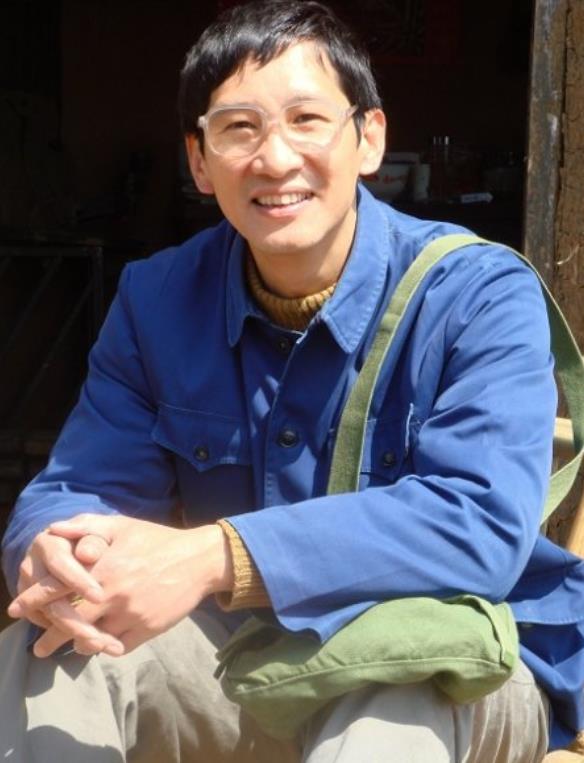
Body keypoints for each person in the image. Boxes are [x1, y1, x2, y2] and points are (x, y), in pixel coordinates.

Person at [1, 1, 583, 760]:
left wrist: (214, 555)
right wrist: (52, 553)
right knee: (48, 650)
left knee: (387, 714)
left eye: (307, 119)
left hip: (447, 667)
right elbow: (79, 486)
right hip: (249, 662)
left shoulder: (478, 294)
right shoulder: (157, 299)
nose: (275, 159)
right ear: (199, 161)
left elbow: (481, 524)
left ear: (369, 138)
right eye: (238, 128)